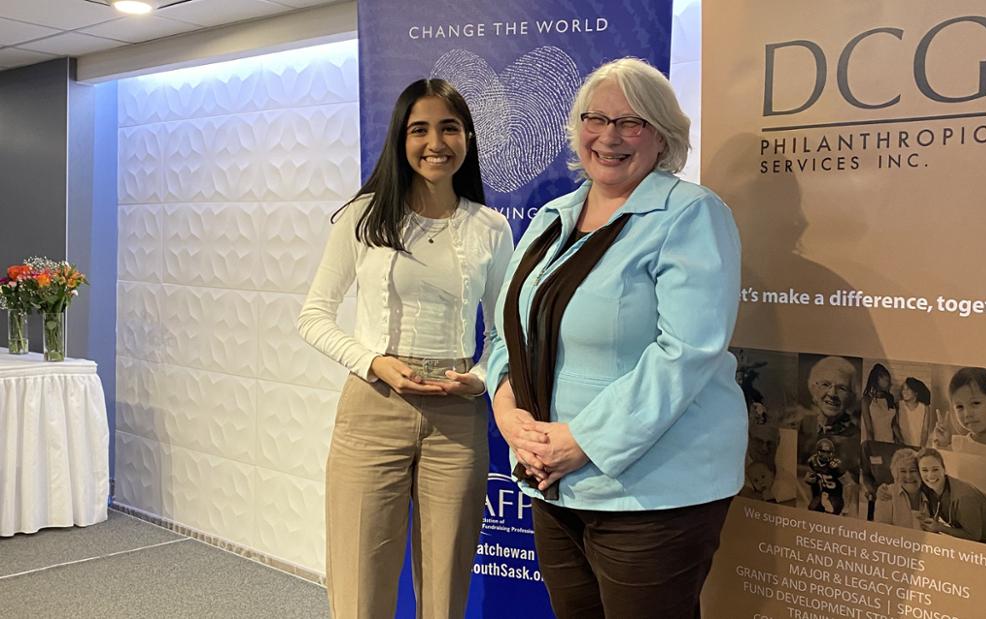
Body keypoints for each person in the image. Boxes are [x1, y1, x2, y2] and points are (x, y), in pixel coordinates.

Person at [486, 57, 746, 619]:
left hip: (654, 490)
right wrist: (508, 414)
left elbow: (686, 353)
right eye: (595, 119)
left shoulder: (691, 215)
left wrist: (579, 442)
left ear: (663, 138)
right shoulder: (553, 217)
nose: (608, 137)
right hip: (551, 479)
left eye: (632, 123)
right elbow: (513, 330)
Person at [298, 78, 514, 619]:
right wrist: (373, 362)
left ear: (467, 138)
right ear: (401, 138)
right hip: (373, 407)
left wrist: (483, 377)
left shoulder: (489, 227)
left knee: (445, 587)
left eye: (449, 128)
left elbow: (509, 331)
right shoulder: (364, 217)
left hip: (457, 415)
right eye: (420, 129)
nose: (435, 142)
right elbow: (313, 315)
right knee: (359, 581)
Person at [792, 356, 861, 516]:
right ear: (813, 389)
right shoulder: (800, 425)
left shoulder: (855, 436)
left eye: (842, 388)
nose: (832, 393)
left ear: (851, 396)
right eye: (825, 384)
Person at [915, 448, 986, 545]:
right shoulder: (928, 489)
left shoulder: (964, 497)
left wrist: (940, 527)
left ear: (944, 469)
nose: (930, 475)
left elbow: (974, 536)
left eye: (935, 469)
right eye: (925, 470)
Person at [939, 367, 986, 458]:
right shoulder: (955, 445)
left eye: (975, 403)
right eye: (960, 407)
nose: (967, 414)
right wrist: (943, 445)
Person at [873, 448, 927, 529]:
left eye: (913, 470)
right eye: (903, 471)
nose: (908, 476)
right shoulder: (887, 493)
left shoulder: (929, 494)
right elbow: (881, 532)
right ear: (896, 474)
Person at [861, 363, 900, 443]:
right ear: (878, 379)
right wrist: (871, 450)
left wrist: (901, 441)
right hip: (875, 443)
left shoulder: (890, 398)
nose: (890, 384)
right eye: (887, 381)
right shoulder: (866, 400)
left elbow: (893, 424)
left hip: (890, 443)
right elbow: (869, 430)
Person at [897, 377, 933, 447]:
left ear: (916, 392)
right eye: (903, 389)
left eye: (908, 389)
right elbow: (895, 426)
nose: (904, 391)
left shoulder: (925, 408)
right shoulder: (899, 405)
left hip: (919, 446)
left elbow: (925, 431)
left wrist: (921, 448)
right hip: (902, 446)